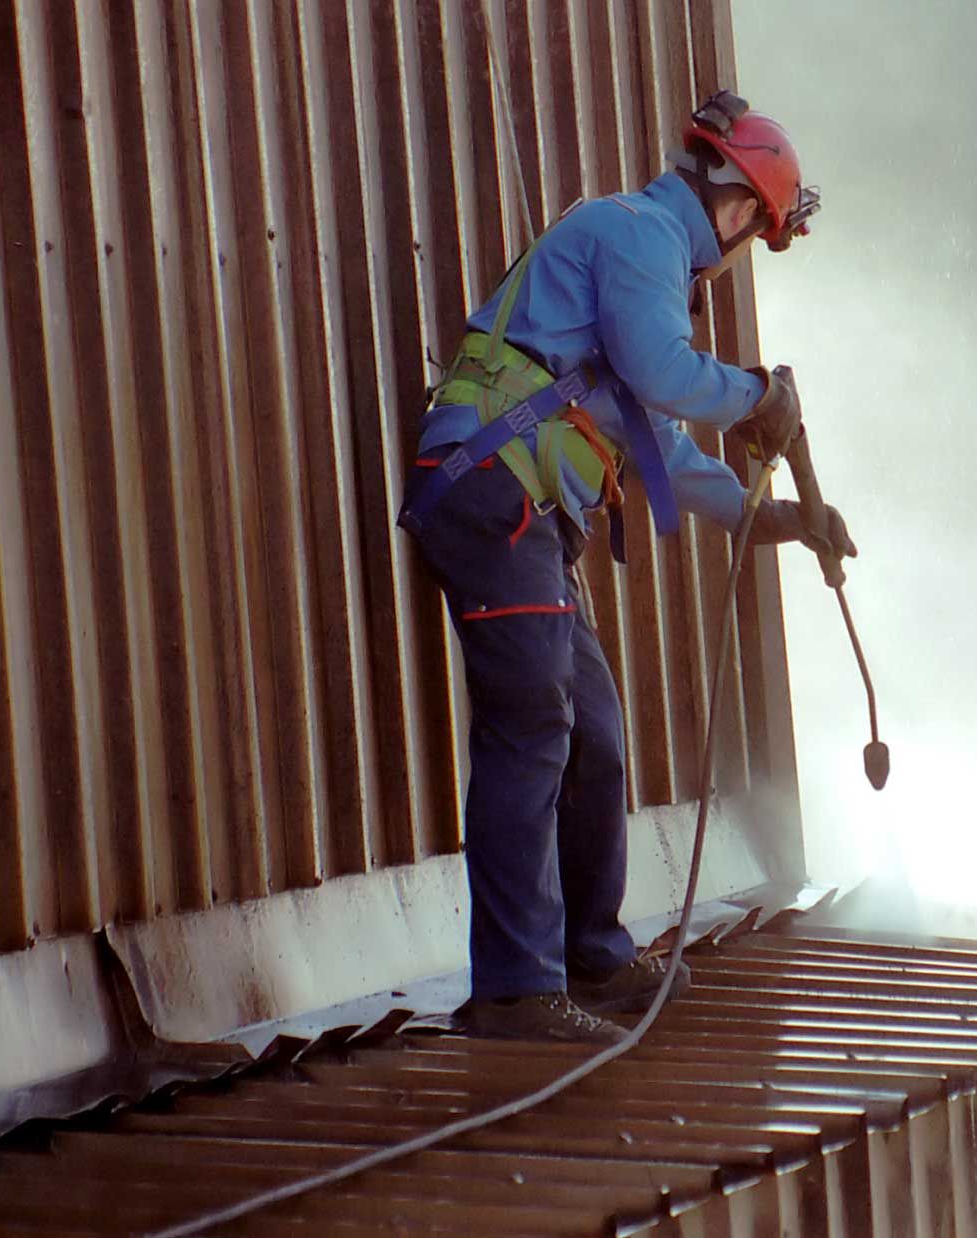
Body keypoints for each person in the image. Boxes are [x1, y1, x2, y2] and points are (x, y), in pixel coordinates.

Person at [402, 92, 856, 1043]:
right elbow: (662, 373)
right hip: (493, 497)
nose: (737, 249)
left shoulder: (629, 261)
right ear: (736, 209)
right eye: (754, 229)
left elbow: (657, 446)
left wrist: (769, 515)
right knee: (534, 731)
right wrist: (757, 394)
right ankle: (516, 993)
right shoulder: (639, 233)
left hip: (524, 517)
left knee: (593, 730)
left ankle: (592, 958)